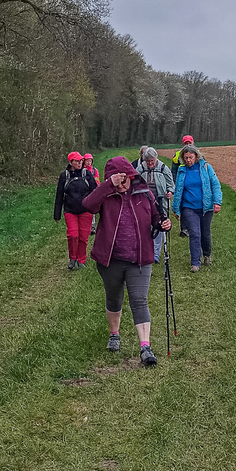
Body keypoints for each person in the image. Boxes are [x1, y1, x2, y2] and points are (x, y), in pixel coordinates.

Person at [82, 156, 172, 365]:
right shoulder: (106, 195)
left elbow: (155, 217)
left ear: (131, 176)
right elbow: (88, 205)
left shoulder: (144, 193)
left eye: (124, 180)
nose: (121, 185)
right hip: (111, 259)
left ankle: (145, 347)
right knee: (114, 298)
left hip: (140, 258)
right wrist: (107, 186)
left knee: (139, 300)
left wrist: (162, 223)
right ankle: (114, 334)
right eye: (117, 181)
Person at [171, 144, 222, 273]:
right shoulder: (182, 170)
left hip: (206, 207)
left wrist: (217, 202)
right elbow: (178, 190)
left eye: (191, 157)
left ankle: (207, 255)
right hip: (189, 207)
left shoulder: (206, 167)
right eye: (186, 158)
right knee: (194, 233)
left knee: (205, 234)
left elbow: (215, 185)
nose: (188, 160)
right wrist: (176, 208)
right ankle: (195, 262)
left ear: (196, 156)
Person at [54, 151, 95, 269]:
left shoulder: (87, 174)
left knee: (83, 237)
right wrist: (57, 214)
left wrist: (98, 207)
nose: (79, 163)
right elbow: (59, 195)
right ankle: (72, 258)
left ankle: (81, 260)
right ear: (71, 162)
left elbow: (95, 191)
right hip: (70, 210)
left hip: (85, 211)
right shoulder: (64, 176)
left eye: (81, 161)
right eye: (76, 161)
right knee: (73, 235)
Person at [133, 147, 174, 264]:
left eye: (152, 161)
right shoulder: (140, 169)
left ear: (156, 158)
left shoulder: (163, 168)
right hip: (144, 201)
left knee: (159, 226)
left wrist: (170, 192)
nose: (150, 163)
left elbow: (171, 184)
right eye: (148, 161)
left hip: (160, 201)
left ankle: (156, 254)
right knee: (145, 225)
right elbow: (134, 183)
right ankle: (146, 251)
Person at [82, 152, 100, 235]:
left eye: (90, 161)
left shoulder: (94, 170)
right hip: (83, 192)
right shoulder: (81, 170)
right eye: (87, 161)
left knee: (91, 208)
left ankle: (92, 226)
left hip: (92, 192)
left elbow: (97, 180)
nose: (89, 163)